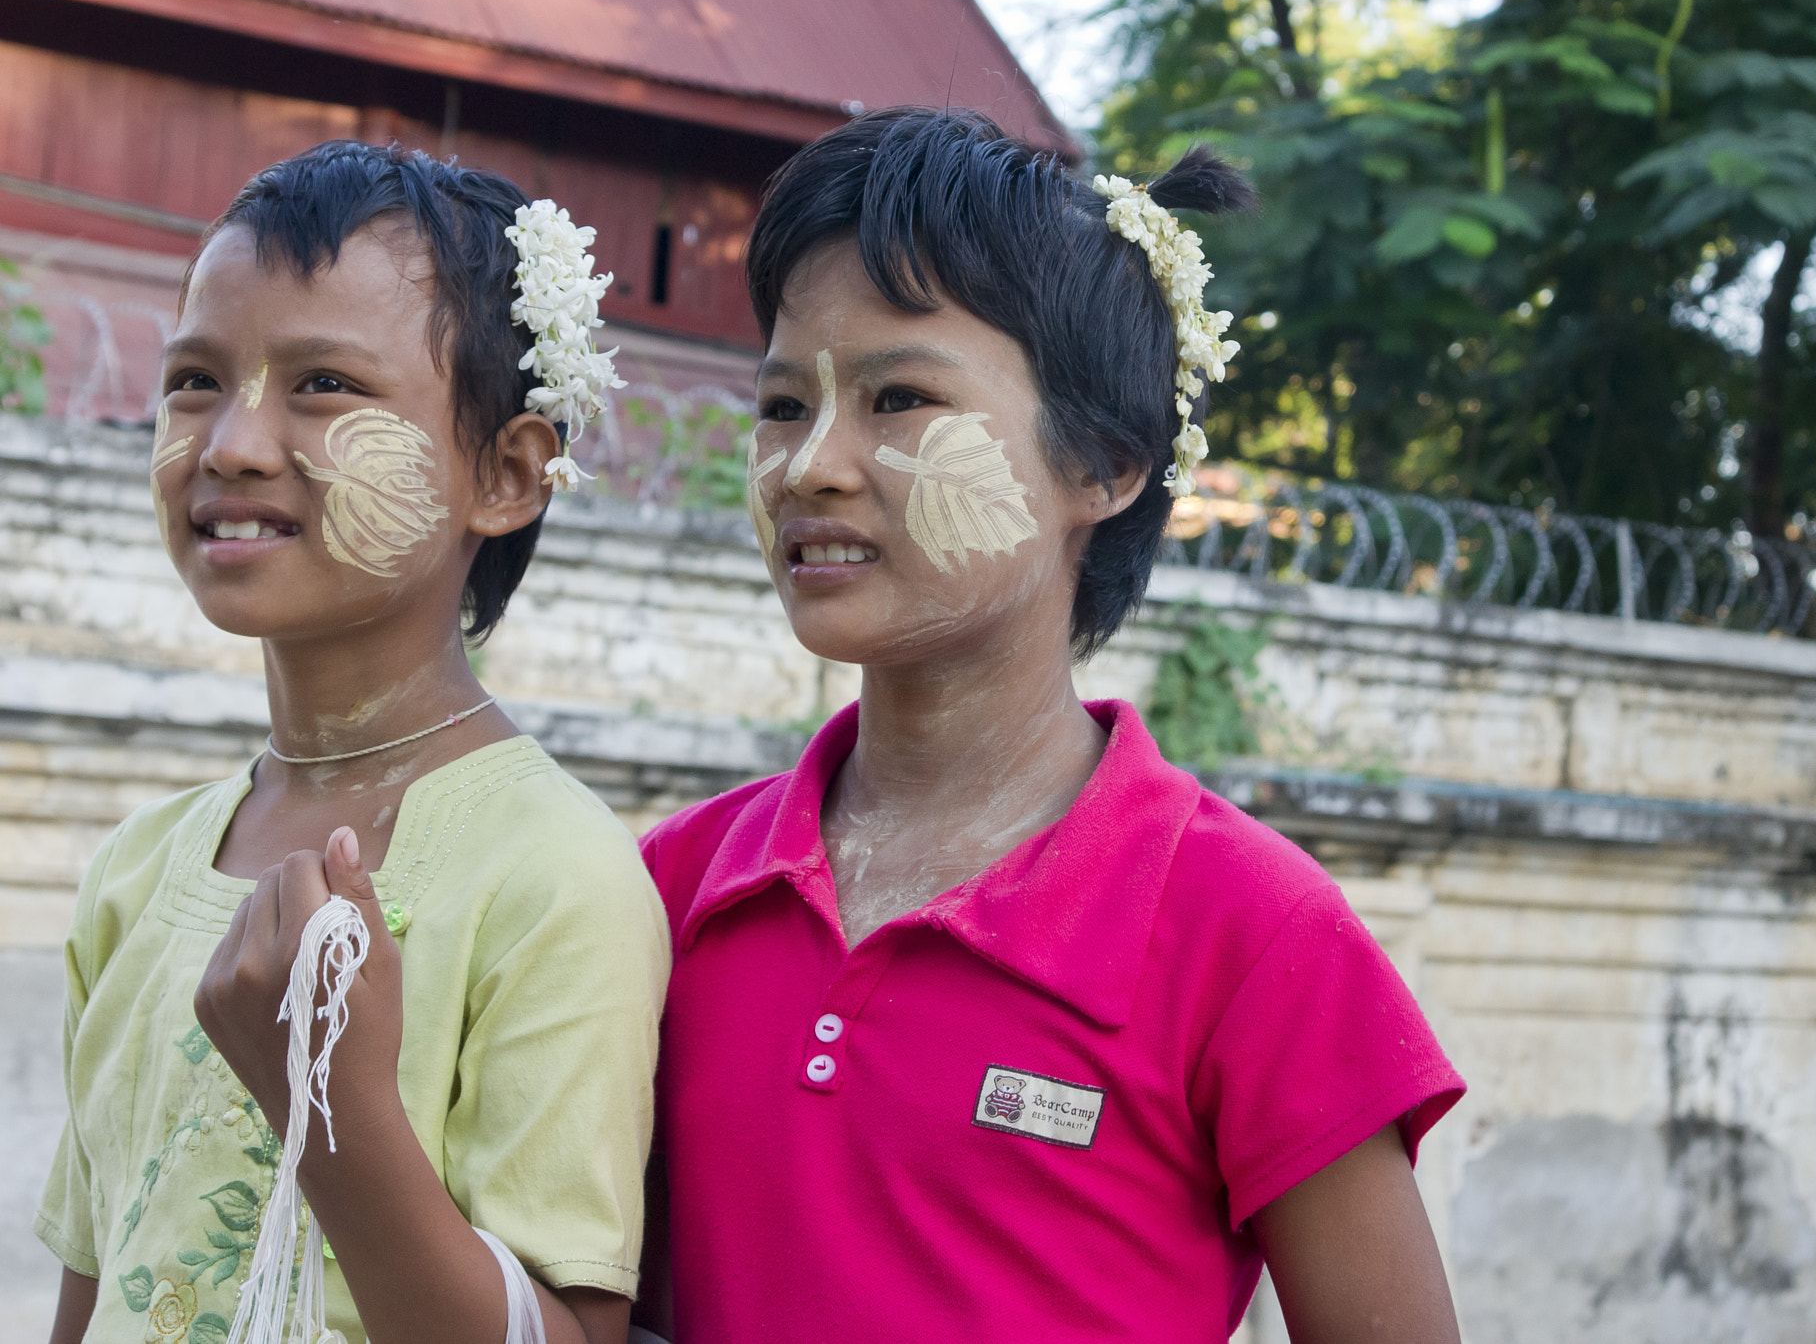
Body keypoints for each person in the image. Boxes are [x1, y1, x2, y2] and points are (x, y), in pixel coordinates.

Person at [636, 108, 1465, 1343]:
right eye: (779, 404)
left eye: (898, 397)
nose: (809, 464)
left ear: (1107, 464)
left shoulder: (1249, 930)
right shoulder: (671, 889)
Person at [38, 141, 667, 1344]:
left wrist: (322, 1106)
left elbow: (569, 1327)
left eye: (322, 384)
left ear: (507, 471)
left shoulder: (553, 879)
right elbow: (96, 1281)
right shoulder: (137, 869)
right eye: (193, 379)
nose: (230, 443)